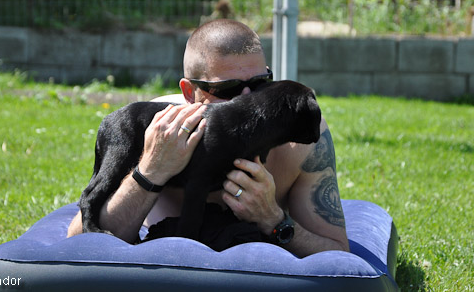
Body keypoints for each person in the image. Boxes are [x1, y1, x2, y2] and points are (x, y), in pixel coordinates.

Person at [67, 19, 349, 257]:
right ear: (189, 93)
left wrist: (274, 220)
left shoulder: (299, 142)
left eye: (260, 84)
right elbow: (79, 245)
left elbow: (339, 255)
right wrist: (149, 173)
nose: (247, 99)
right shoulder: (148, 129)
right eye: (227, 89)